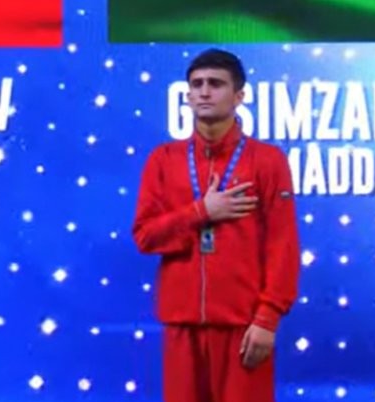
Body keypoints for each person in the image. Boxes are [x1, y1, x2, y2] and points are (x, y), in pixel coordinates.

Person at [132, 48, 300, 402]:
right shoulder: (163, 160)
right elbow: (145, 236)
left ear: (239, 96)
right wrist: (201, 211)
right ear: (187, 96)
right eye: (197, 85)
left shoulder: (267, 160)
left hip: (244, 324)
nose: (204, 92)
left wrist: (267, 318)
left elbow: (282, 245)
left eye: (216, 84)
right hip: (182, 326)